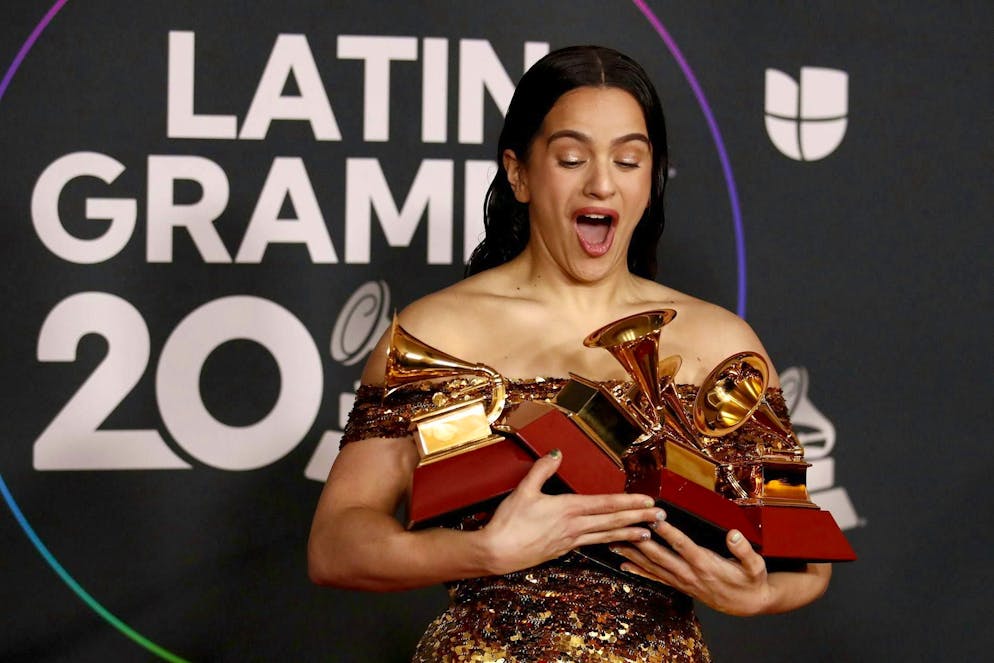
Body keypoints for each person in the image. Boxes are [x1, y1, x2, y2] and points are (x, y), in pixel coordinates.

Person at [308, 45, 831, 661]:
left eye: (629, 159)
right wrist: (484, 551)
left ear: (651, 179)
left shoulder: (722, 342)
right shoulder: (434, 336)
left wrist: (756, 594)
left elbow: (807, 556)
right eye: (572, 157)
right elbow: (336, 544)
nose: (602, 182)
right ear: (519, 173)